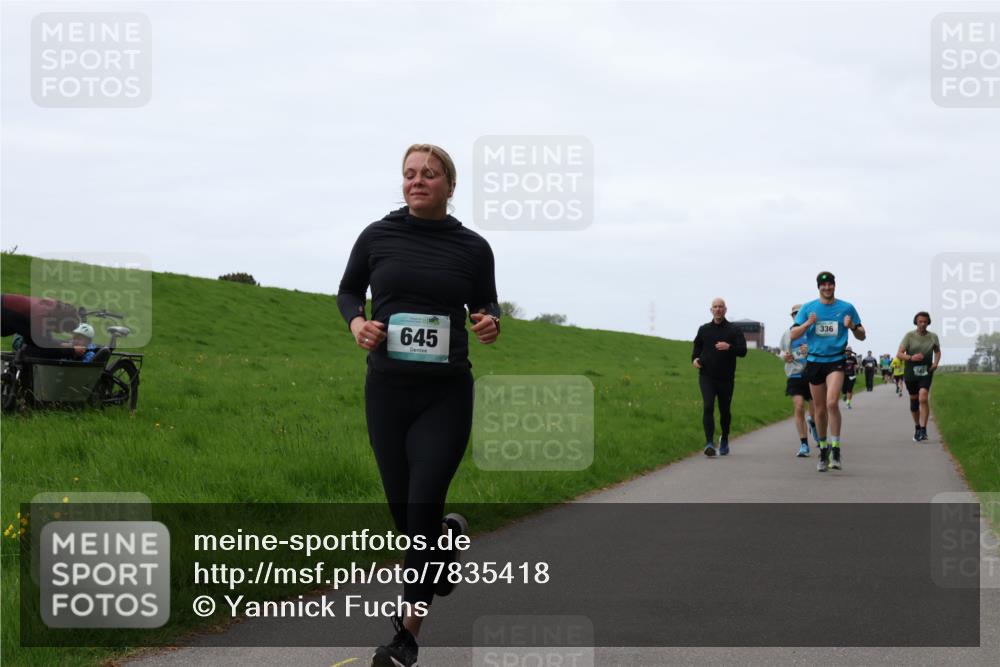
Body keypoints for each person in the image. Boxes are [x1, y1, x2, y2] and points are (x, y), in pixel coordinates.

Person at [337, 144, 501, 667]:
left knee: (422, 504)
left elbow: (487, 303)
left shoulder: (473, 248)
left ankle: (405, 637)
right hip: (386, 392)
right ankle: (445, 546)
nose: (417, 181)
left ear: (450, 187)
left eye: (429, 174)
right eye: (409, 174)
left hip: (445, 394)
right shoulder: (376, 236)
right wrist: (358, 324)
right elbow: (346, 292)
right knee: (407, 518)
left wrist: (490, 321)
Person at [789, 271, 865, 472]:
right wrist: (807, 323)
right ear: (818, 288)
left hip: (836, 361)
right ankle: (823, 450)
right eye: (823, 285)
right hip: (814, 362)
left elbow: (862, 335)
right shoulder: (809, 308)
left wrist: (852, 327)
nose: (827, 288)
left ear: (834, 286)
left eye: (830, 284)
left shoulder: (846, 308)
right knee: (819, 410)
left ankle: (836, 449)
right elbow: (793, 334)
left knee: (832, 403)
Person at [691, 298, 748, 456]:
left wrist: (729, 347)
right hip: (706, 375)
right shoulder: (704, 329)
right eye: (715, 307)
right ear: (711, 310)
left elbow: (743, 351)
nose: (718, 309)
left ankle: (724, 439)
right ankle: (709, 443)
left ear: (725, 309)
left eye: (720, 307)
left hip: (726, 378)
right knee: (708, 406)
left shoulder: (733, 330)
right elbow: (697, 347)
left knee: (725, 411)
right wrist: (694, 359)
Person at [781, 303, 819, 457]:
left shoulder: (814, 331)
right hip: (795, 374)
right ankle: (804, 444)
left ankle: (814, 425)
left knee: (815, 410)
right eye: (794, 314)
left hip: (813, 373)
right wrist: (785, 357)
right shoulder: (787, 333)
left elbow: (823, 350)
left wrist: (810, 350)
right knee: (798, 407)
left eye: (800, 313)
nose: (797, 315)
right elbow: (783, 352)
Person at [898, 311, 941, 442]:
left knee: (923, 397)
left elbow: (937, 351)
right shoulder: (909, 336)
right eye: (920, 321)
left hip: (926, 371)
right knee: (914, 401)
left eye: (925, 321)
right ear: (916, 322)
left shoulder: (933, 336)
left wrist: (935, 363)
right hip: (911, 371)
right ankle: (917, 427)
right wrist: (911, 357)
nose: (922, 324)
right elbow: (899, 354)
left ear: (928, 322)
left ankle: (923, 429)